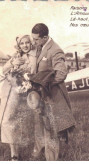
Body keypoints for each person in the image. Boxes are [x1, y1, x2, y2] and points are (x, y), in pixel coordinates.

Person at [30, 23, 76, 161]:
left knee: (51, 130)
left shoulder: (55, 50)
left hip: (52, 96)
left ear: (45, 37)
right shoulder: (40, 46)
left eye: (36, 39)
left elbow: (61, 73)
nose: (34, 42)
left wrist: (43, 83)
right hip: (41, 96)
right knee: (40, 125)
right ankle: (39, 153)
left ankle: (51, 159)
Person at [0, 35, 37, 161]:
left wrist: (25, 78)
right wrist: (12, 63)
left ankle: (30, 149)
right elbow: (3, 70)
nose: (25, 45)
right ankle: (14, 153)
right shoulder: (16, 56)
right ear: (19, 45)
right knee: (8, 120)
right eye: (22, 43)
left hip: (24, 92)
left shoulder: (34, 57)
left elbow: (34, 74)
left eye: (27, 43)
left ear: (31, 43)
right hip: (10, 91)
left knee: (19, 122)